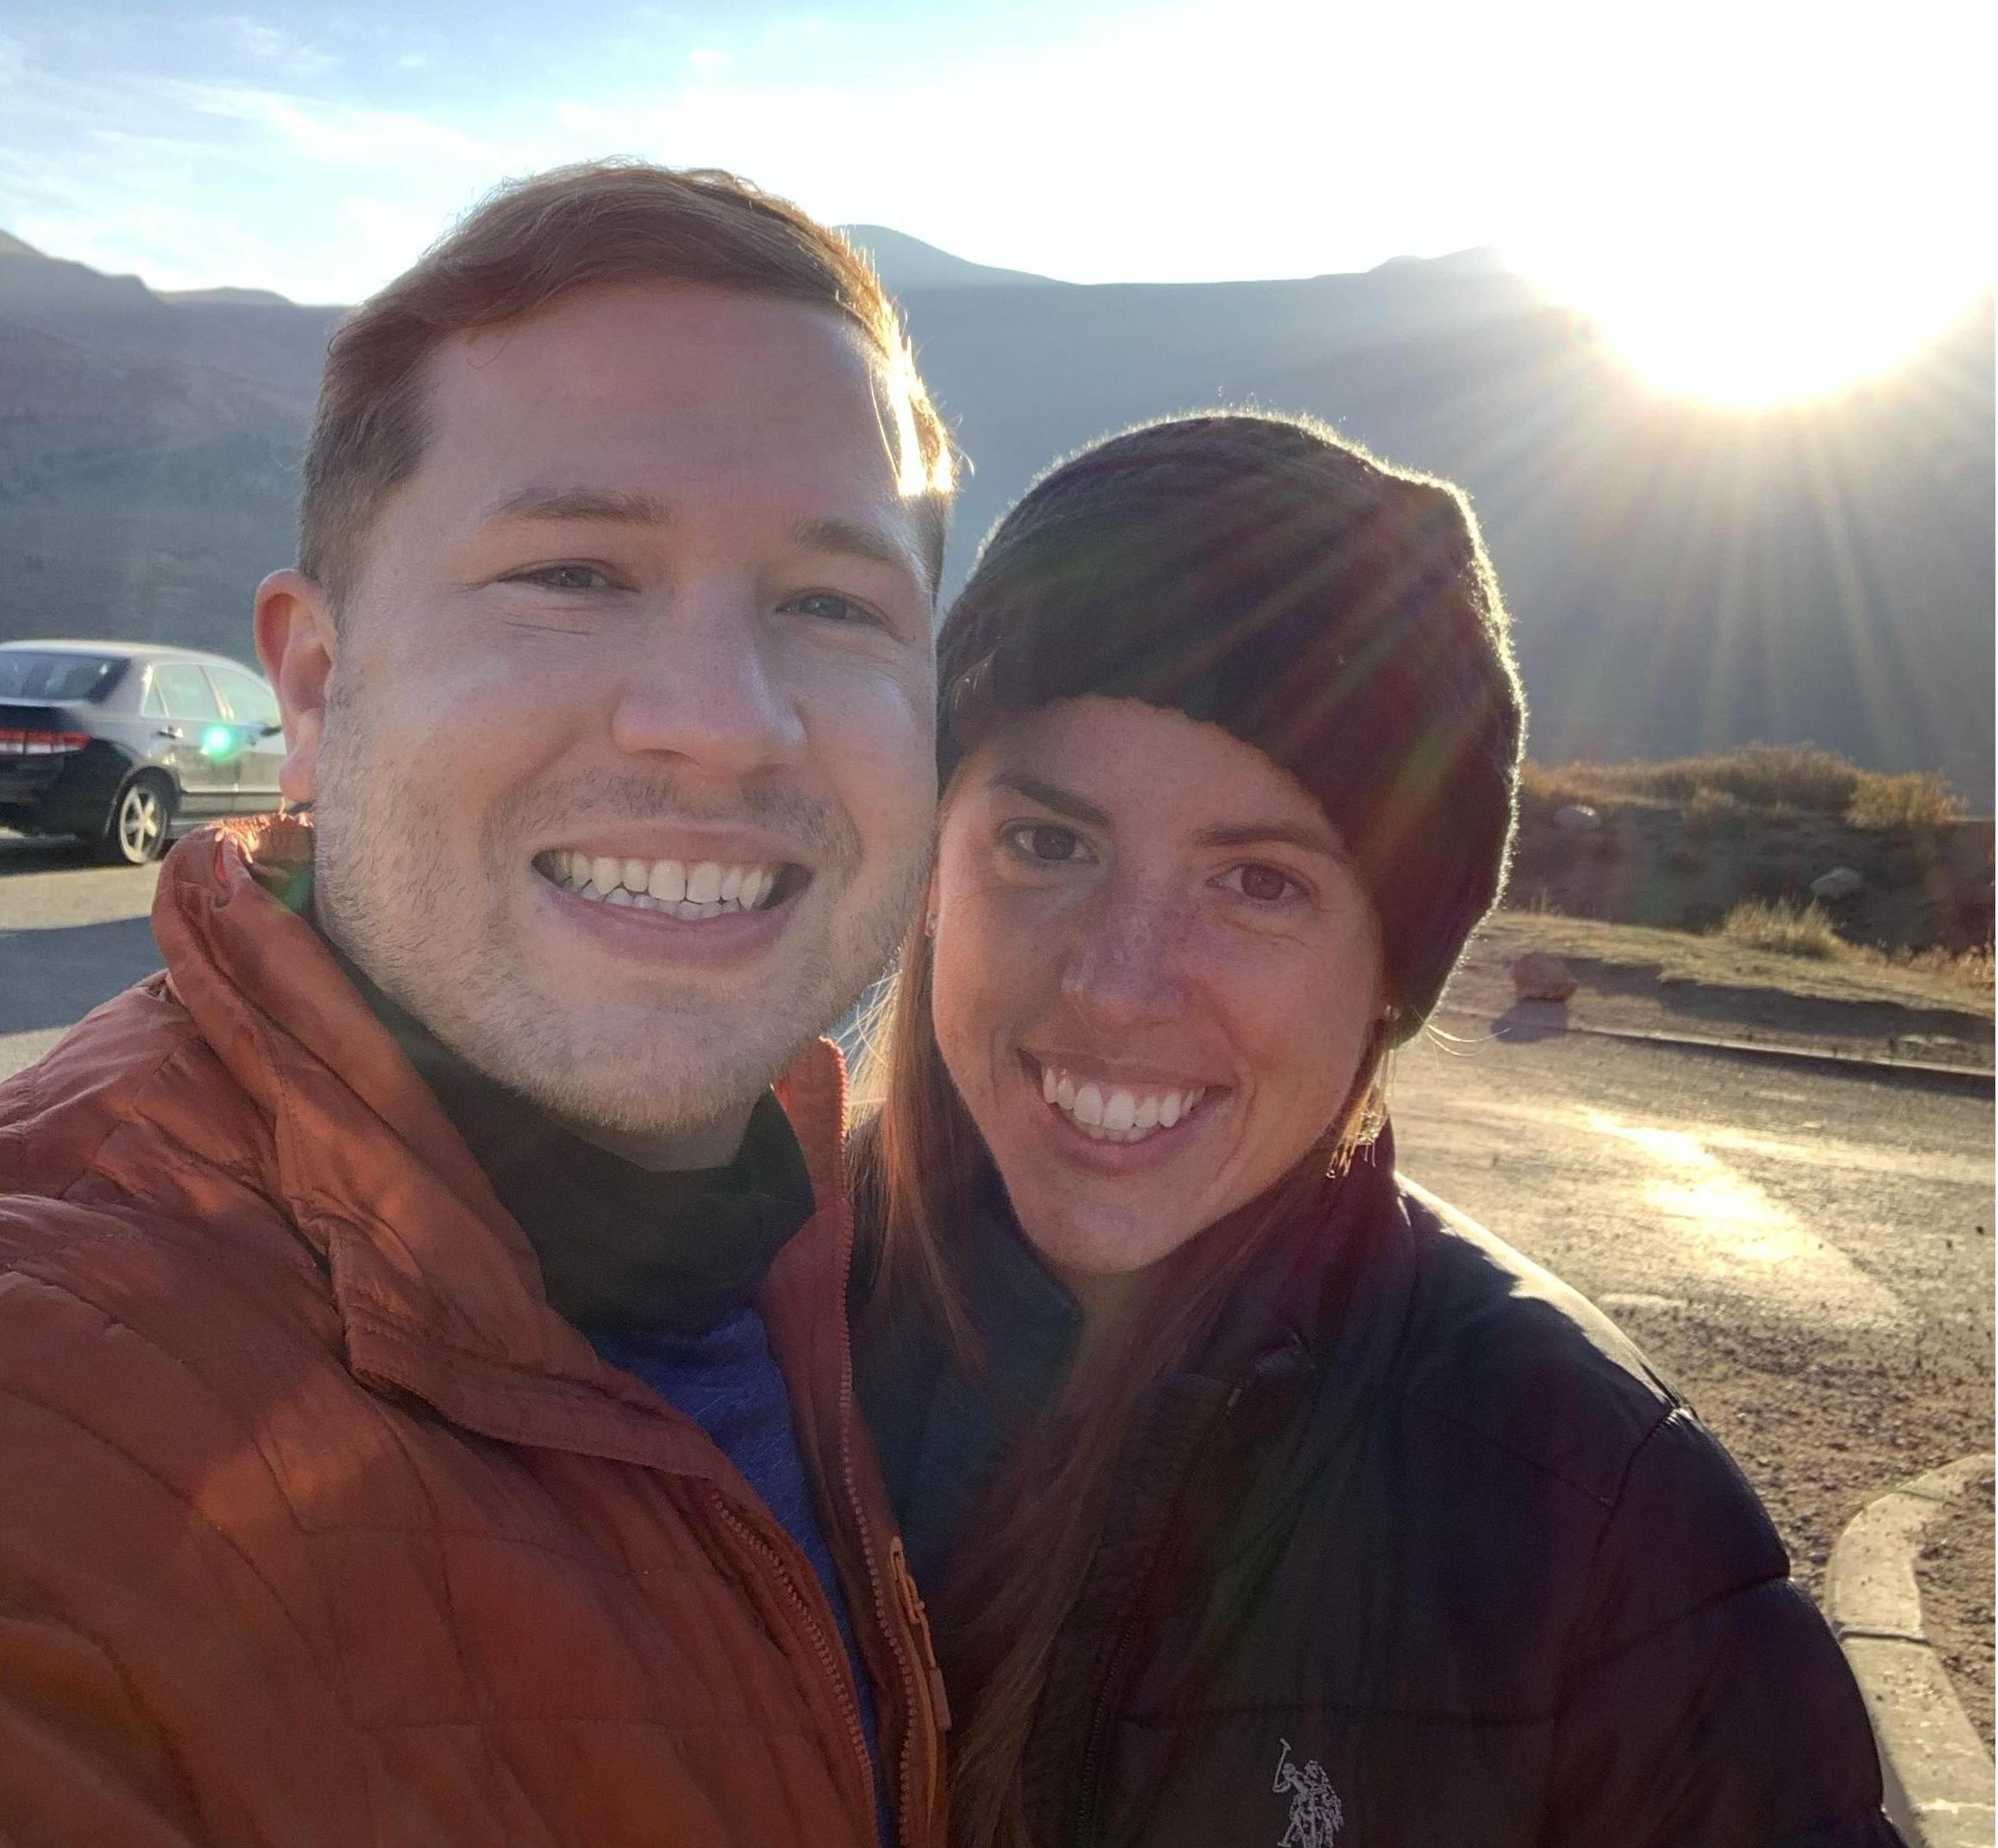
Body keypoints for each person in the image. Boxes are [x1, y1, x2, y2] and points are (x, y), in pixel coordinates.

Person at [0, 161, 957, 1846]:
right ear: (313, 684)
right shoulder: (65, 1403)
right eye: (575, 572)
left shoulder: (839, 1253)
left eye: (831, 604)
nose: (723, 724)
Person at [852, 412, 1901, 1848]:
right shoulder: (713, 1347)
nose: (1113, 981)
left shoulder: (1600, 1532)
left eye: (1260, 884)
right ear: (930, 870)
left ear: (1392, 974)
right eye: (1047, 844)